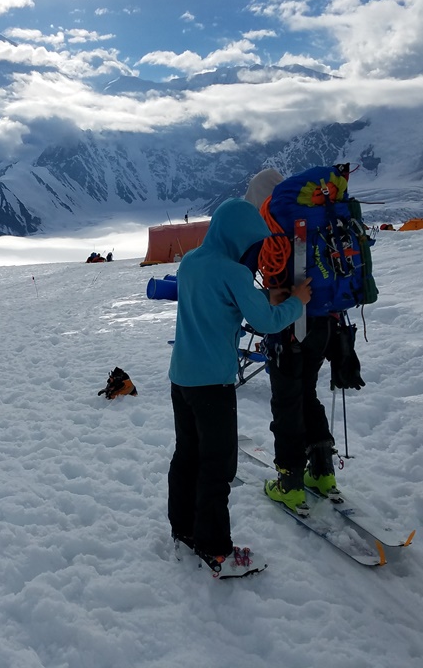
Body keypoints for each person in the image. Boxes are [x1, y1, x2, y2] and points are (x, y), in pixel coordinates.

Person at [167, 198, 311, 576]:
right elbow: (265, 322)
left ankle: (184, 528)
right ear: (239, 238)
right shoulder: (234, 272)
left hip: (181, 378)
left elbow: (218, 301)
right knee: (217, 466)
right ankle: (216, 550)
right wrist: (296, 302)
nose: (256, 251)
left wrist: (264, 296)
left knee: (188, 457)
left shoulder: (191, 261)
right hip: (212, 384)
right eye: (254, 243)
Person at [245, 168, 341, 516]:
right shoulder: (313, 226)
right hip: (324, 324)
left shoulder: (276, 232)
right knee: (307, 393)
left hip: (289, 329)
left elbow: (276, 292)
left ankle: (289, 483)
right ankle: (322, 472)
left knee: (286, 402)